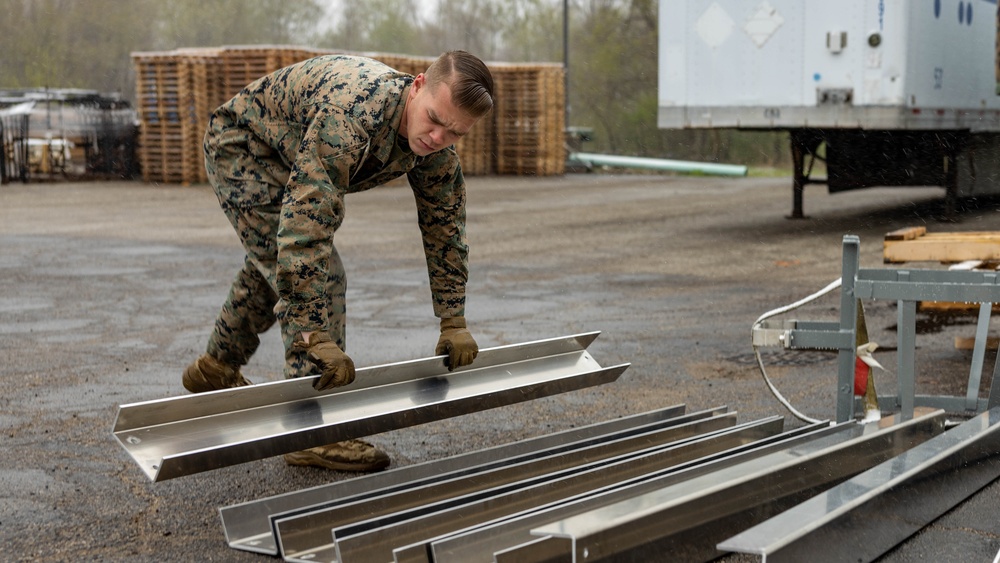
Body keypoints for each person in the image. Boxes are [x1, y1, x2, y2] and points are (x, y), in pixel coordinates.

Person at [182, 50, 494, 472]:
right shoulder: (352, 116)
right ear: (417, 85)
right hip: (243, 149)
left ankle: (215, 369)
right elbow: (307, 225)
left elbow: (445, 231)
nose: (438, 137)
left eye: (455, 132)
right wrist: (313, 334)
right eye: (435, 119)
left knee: (273, 268)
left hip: (288, 152)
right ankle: (309, 428)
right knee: (319, 274)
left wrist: (453, 320)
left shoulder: (436, 147)